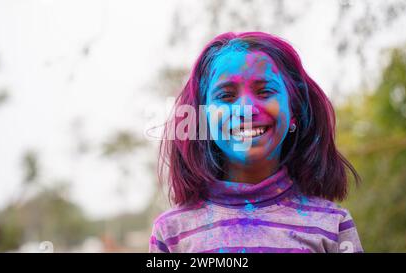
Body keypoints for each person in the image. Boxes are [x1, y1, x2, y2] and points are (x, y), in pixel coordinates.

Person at [149, 32, 363, 253]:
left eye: (265, 91)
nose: (247, 109)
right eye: (226, 96)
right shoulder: (172, 233)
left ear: (294, 112)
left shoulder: (332, 226)